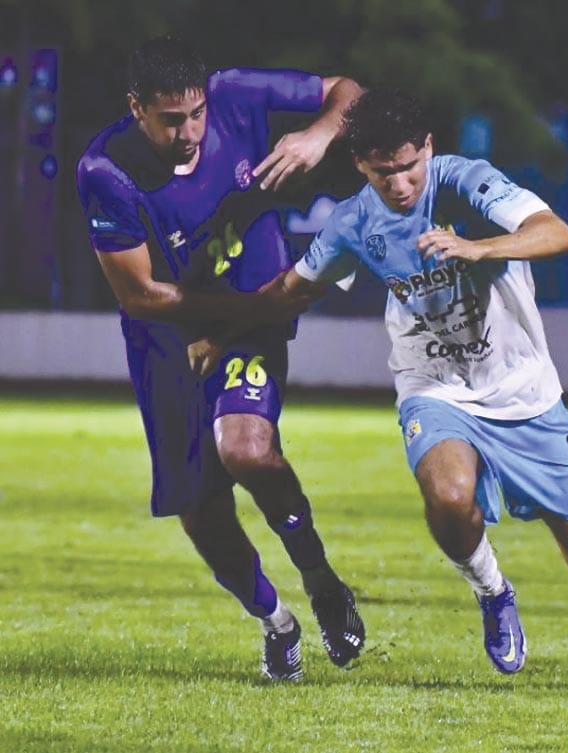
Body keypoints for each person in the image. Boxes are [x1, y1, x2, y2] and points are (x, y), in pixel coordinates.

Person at [194, 87, 568, 685]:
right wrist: (222, 333)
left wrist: (477, 247)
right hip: (432, 385)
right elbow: (291, 290)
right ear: (361, 164)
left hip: (524, 390)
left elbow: (556, 232)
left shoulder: (465, 182)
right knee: (450, 497)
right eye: (384, 173)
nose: (401, 183)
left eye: (409, 166)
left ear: (427, 148)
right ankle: (492, 590)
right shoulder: (354, 221)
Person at [76, 35, 365, 682]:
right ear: (136, 107)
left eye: (196, 114)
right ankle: (277, 622)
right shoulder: (106, 171)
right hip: (169, 339)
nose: (189, 133)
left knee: (246, 450)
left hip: (249, 319)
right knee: (201, 512)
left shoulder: (235, 94)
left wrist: (318, 135)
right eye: (170, 119)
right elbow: (141, 295)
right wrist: (250, 308)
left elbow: (349, 92)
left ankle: (321, 579)